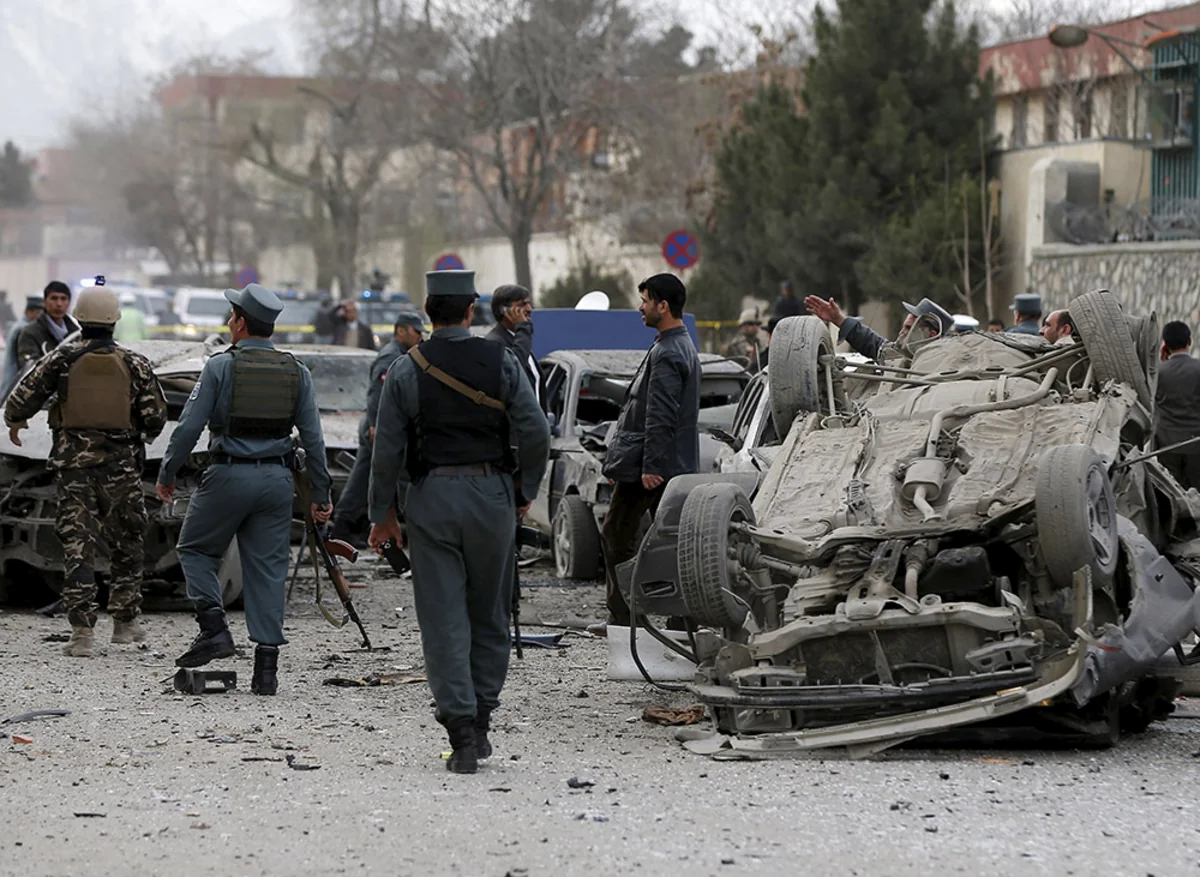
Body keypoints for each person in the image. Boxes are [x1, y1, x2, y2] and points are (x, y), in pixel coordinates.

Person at [367, 269, 549, 774]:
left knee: (443, 616)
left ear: (428, 310)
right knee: (489, 611)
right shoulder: (503, 361)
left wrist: (382, 516)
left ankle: (461, 734)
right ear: (472, 311)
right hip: (492, 495)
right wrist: (522, 490)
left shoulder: (406, 368)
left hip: (431, 500)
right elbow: (535, 431)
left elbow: (386, 451)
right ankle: (483, 718)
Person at [156, 284, 333, 695]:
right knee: (269, 569)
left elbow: (189, 426)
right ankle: (266, 673)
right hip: (276, 480)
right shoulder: (297, 371)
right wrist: (322, 495)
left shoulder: (221, 367)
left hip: (229, 474)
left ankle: (214, 628)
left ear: (238, 322)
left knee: (196, 549)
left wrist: (168, 471)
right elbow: (314, 439)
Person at [4, 286, 167, 657]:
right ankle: (125, 623)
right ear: (115, 321)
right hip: (121, 468)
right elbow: (155, 418)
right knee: (127, 540)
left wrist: (16, 422)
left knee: (78, 545)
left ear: (79, 317)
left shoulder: (60, 360)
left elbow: (19, 399)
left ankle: (82, 634)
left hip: (74, 470)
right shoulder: (135, 364)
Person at [601, 274, 701, 627]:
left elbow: (660, 415)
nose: (640, 307)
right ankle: (677, 621)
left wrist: (649, 467)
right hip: (657, 464)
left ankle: (627, 620)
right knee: (669, 544)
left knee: (617, 536)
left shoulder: (670, 352)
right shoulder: (673, 345)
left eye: (645, 300)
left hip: (651, 467)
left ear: (663, 306)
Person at [329, 312, 426, 545]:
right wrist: (375, 424)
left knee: (363, 477)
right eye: (416, 331)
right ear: (401, 331)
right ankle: (346, 526)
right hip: (379, 426)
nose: (421, 337)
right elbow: (376, 394)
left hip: (381, 425)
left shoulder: (404, 355)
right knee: (376, 476)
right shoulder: (390, 357)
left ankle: (344, 526)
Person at [803, 295, 953, 362]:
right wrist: (838, 319)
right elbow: (875, 345)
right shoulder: (900, 355)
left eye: (908, 328)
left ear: (932, 335)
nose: (902, 332)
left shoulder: (946, 364)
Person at [1155, 321, 1200, 491]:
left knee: (1172, 493)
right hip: (1197, 444)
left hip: (1167, 445)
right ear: (1189, 341)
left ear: (1165, 344)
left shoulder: (1158, 372)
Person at [486, 284, 542, 402]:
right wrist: (523, 328)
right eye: (522, 304)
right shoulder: (495, 342)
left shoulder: (517, 338)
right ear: (504, 311)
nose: (529, 309)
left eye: (529, 303)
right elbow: (516, 371)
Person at [18, 280, 81, 368]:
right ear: (44, 302)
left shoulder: (77, 333)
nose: (59, 304)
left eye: (63, 299)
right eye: (54, 298)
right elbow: (29, 368)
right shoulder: (30, 333)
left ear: (69, 303)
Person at [1, 296, 44, 397]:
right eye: (40, 313)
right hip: (14, 382)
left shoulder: (19, 326)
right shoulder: (23, 329)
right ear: (30, 312)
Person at [723, 309, 766, 373]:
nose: (755, 326)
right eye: (751, 324)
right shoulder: (736, 344)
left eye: (757, 324)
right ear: (742, 325)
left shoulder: (757, 341)